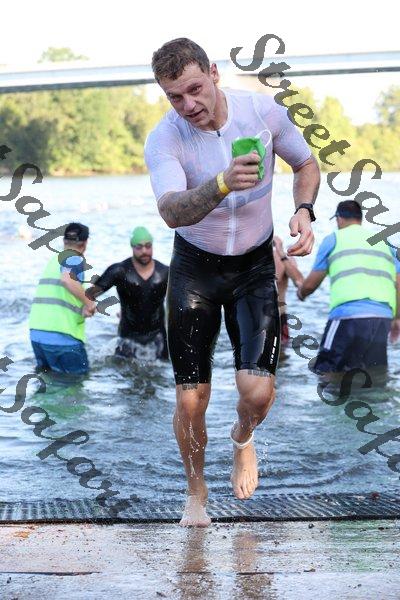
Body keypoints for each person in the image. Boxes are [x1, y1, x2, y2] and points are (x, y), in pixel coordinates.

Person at [145, 38, 320, 527]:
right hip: (194, 269)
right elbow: (171, 211)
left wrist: (304, 211)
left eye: (194, 89)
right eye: (174, 96)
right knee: (190, 397)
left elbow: (306, 164)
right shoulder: (166, 138)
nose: (188, 105)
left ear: (214, 73)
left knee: (257, 392)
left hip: (254, 265)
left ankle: (242, 438)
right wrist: (222, 182)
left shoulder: (263, 113)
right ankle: (196, 490)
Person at [297, 200, 400, 375]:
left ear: (339, 219)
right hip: (381, 318)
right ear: (360, 219)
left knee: (324, 370)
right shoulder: (384, 243)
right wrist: (397, 318)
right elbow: (398, 283)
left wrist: (301, 292)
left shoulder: (334, 239)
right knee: (373, 374)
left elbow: (311, 284)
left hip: (348, 317)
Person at [87, 226, 169, 360]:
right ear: (132, 247)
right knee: (123, 370)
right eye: (139, 247)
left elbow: (179, 302)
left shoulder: (165, 273)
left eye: (148, 246)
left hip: (158, 337)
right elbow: (90, 294)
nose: (144, 251)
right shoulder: (119, 271)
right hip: (127, 336)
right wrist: (86, 305)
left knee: (162, 370)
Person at [29, 222, 95, 377]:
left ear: (64, 240)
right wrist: (89, 303)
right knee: (75, 383)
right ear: (85, 243)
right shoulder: (74, 258)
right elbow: (67, 279)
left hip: (37, 335)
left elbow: (61, 298)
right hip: (62, 338)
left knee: (48, 383)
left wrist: (82, 309)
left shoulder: (54, 261)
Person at [273, 236, 304, 344]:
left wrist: (281, 252)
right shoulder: (251, 258)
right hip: (254, 318)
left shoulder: (284, 258)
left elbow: (299, 282)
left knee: (281, 352)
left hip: (278, 318)